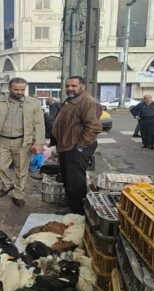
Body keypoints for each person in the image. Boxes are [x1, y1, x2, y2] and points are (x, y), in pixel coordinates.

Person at [0, 77, 45, 207]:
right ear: (9, 88)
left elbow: (39, 124)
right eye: (16, 89)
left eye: (22, 90)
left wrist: (38, 143)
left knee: (21, 170)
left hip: (23, 141)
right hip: (2, 140)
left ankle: (18, 194)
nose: (19, 92)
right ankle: (7, 184)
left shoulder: (34, 103)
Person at [52, 76, 102, 214]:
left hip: (76, 146)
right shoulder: (71, 101)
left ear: (83, 87)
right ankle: (71, 201)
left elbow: (93, 127)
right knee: (68, 175)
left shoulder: (87, 101)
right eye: (67, 86)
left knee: (75, 178)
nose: (69, 89)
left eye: (74, 86)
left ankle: (77, 209)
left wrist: (80, 146)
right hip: (67, 145)